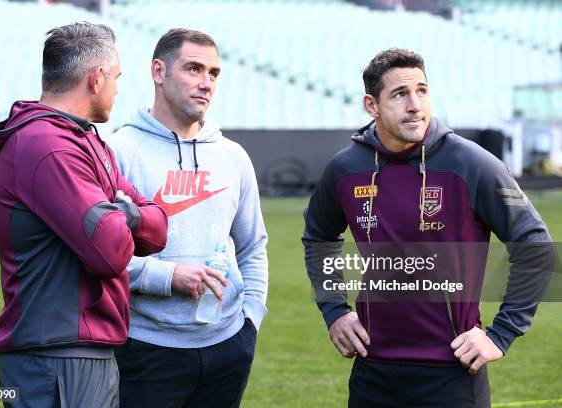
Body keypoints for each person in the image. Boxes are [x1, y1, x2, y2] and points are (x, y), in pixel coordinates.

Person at [302, 48, 553, 407]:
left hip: (452, 372)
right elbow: (318, 235)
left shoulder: (471, 163)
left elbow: (535, 245)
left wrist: (501, 334)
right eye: (400, 94)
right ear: (372, 106)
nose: (415, 104)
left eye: (422, 90)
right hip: (372, 371)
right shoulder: (346, 169)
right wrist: (335, 310)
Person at [0, 22, 168, 407]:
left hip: (81, 352)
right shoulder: (48, 146)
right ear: (96, 78)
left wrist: (128, 216)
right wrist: (129, 215)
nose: (118, 87)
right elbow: (111, 252)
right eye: (116, 77)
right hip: (58, 357)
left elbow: (158, 229)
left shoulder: (85, 141)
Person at [107, 28, 268, 408]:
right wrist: (167, 277)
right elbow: (96, 254)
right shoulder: (116, 152)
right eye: (194, 69)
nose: (206, 83)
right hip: (145, 348)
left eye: (213, 73)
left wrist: (250, 321)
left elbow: (252, 245)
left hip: (229, 346)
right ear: (158, 72)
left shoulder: (233, 156)